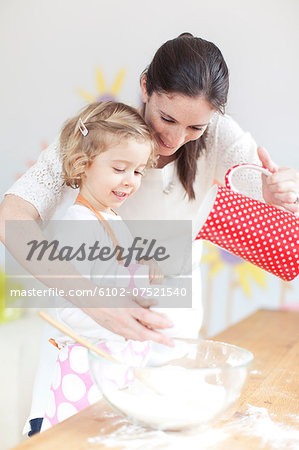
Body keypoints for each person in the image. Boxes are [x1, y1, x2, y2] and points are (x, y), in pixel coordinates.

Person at [1, 33, 299, 434]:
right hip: (91, 347)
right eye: (167, 119)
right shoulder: (99, 133)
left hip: (170, 344)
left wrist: (278, 189)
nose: (175, 140)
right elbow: (12, 217)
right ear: (146, 87)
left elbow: (256, 178)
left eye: (195, 127)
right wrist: (95, 302)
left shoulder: (219, 135)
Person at [40, 100, 168, 430]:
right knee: (80, 437)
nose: (130, 181)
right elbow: (71, 309)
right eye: (119, 168)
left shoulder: (110, 217)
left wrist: (144, 266)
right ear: (83, 164)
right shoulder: (78, 224)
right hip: (86, 370)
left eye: (138, 171)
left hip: (114, 366)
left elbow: (113, 276)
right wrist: (123, 322)